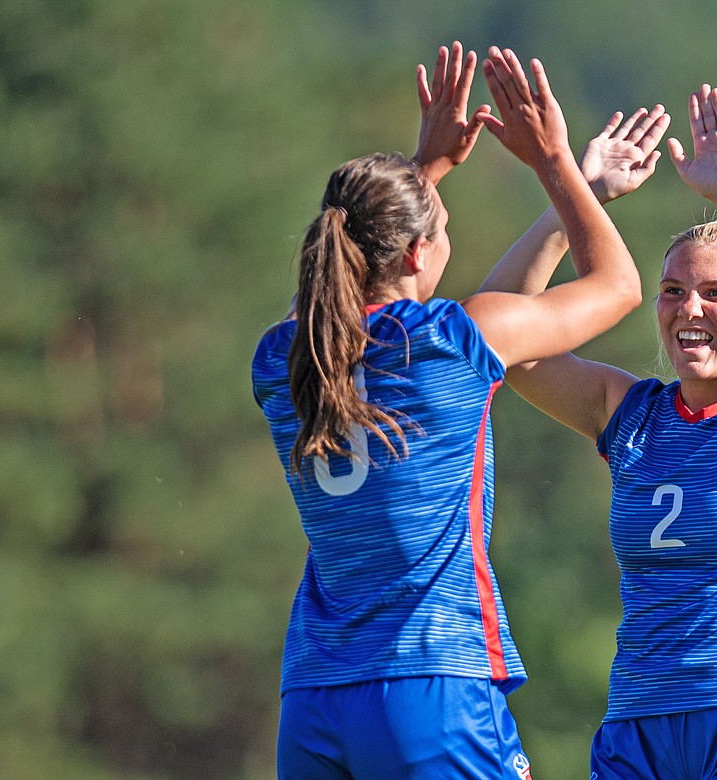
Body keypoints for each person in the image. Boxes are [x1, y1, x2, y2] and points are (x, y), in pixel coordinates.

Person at [252, 42, 643, 780]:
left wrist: (421, 175)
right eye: (444, 232)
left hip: (314, 698)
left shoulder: (280, 360)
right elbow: (619, 285)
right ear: (415, 254)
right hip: (431, 682)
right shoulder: (448, 344)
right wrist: (557, 164)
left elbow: (345, 278)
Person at [480, 84, 717, 779]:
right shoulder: (630, 414)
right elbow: (498, 335)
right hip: (638, 729)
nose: (691, 306)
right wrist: (577, 196)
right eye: (674, 290)